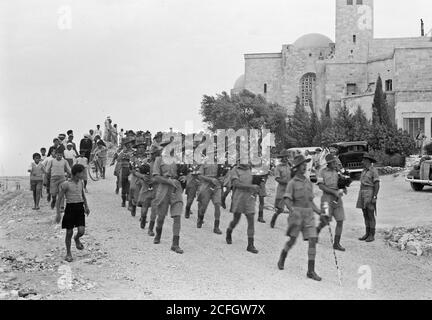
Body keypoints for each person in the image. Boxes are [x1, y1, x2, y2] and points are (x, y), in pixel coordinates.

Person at [277, 155, 324, 281]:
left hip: (308, 214)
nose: (305, 166)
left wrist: (320, 212)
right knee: (292, 240)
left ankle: (311, 270)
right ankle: (283, 256)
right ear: (297, 167)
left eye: (305, 164)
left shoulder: (309, 183)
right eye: (303, 164)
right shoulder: (291, 183)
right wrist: (292, 210)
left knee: (313, 240)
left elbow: (311, 202)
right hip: (296, 214)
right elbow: (287, 199)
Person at [152, 148, 185, 254]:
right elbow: (156, 177)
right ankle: (158, 234)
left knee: (177, 216)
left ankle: (175, 244)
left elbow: (188, 172)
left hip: (176, 188)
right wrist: (168, 180)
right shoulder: (159, 159)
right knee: (161, 216)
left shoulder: (179, 159)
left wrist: (186, 177)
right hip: (164, 189)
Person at [226, 157, 260, 254]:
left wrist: (258, 185)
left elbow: (257, 180)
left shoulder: (251, 169)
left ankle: (250, 244)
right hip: (239, 198)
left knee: (251, 221)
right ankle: (229, 230)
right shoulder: (235, 170)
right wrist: (251, 187)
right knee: (236, 219)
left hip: (250, 198)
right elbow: (236, 184)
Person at [57, 164, 90, 262]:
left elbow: (82, 194)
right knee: (69, 232)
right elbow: (60, 198)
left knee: (81, 231)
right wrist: (58, 213)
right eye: (82, 172)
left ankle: (77, 238)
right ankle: (68, 253)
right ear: (77, 173)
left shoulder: (81, 182)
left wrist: (86, 206)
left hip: (80, 208)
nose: (84, 174)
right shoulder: (66, 184)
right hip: (70, 208)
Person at [316, 154, 347, 251]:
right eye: (334, 162)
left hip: (337, 199)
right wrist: (334, 191)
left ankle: (336, 243)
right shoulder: (322, 172)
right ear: (329, 163)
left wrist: (344, 188)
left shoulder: (338, 172)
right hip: (326, 198)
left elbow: (342, 182)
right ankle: (316, 232)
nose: (336, 163)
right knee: (325, 220)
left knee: (340, 220)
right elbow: (321, 186)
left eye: (336, 162)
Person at [196, 153, 223, 235]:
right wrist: (210, 179)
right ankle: (200, 218)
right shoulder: (204, 163)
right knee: (203, 206)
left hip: (216, 186)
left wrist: (222, 179)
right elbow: (199, 176)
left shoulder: (220, 163)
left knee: (217, 204)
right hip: (206, 186)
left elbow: (225, 174)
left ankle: (216, 226)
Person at [356, 153, 380, 243]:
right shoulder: (364, 171)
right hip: (362, 192)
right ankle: (367, 233)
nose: (362, 161)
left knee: (370, 214)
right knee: (365, 214)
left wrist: (374, 196)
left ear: (368, 161)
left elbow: (377, 184)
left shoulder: (373, 171)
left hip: (369, 192)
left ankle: (371, 235)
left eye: (364, 160)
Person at [112, 136, 135, 207]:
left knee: (131, 186)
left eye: (130, 143)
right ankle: (123, 201)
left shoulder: (134, 151)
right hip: (124, 169)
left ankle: (130, 200)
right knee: (124, 184)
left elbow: (135, 160)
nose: (129, 145)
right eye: (127, 143)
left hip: (131, 170)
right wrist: (124, 152)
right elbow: (118, 159)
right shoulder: (122, 151)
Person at [270, 150, 291, 228]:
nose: (286, 158)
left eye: (287, 157)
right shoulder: (278, 167)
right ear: (281, 158)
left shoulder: (290, 165)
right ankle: (274, 219)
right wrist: (286, 182)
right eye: (284, 157)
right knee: (280, 209)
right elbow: (277, 179)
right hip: (282, 190)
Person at [128, 138, 148, 216]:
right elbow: (131, 169)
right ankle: (133, 204)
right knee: (133, 188)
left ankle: (143, 216)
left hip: (146, 177)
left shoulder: (148, 156)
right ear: (137, 148)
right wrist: (140, 175)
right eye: (139, 147)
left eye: (143, 147)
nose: (141, 149)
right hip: (136, 175)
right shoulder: (133, 156)